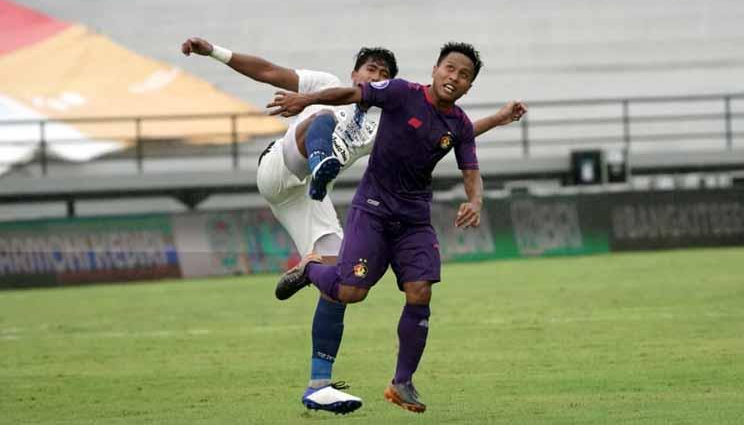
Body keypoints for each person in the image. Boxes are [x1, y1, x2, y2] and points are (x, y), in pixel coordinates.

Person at [180, 38, 526, 414]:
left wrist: (497, 119)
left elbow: (443, 134)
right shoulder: (324, 85)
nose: (376, 76)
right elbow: (266, 71)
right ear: (355, 74)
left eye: (383, 73)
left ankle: (319, 384)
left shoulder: (385, 117)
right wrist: (213, 51)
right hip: (279, 170)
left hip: (311, 198)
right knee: (321, 117)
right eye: (370, 70)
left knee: (343, 287)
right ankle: (320, 157)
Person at [268, 41, 492, 414]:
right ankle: (310, 268)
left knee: (421, 291)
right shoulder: (402, 92)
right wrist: (306, 101)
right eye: (450, 69)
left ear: (469, 86)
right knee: (351, 292)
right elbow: (351, 92)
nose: (455, 78)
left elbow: (471, 171)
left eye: (464, 75)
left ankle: (401, 383)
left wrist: (475, 201)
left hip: (415, 220)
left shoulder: (460, 124)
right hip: (372, 210)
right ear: (436, 69)